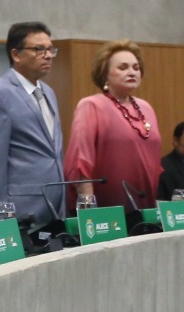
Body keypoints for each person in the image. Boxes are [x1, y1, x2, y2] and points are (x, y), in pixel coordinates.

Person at [0, 22, 65, 226]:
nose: (48, 55)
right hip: (19, 212)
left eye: (50, 49)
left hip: (54, 211)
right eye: (39, 49)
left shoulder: (49, 92)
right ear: (16, 54)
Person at [64, 40, 161, 212]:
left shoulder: (146, 108)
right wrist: (88, 211)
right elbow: (81, 163)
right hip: (106, 209)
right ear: (105, 74)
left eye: (136, 68)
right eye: (123, 67)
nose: (131, 72)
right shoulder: (91, 105)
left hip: (145, 204)